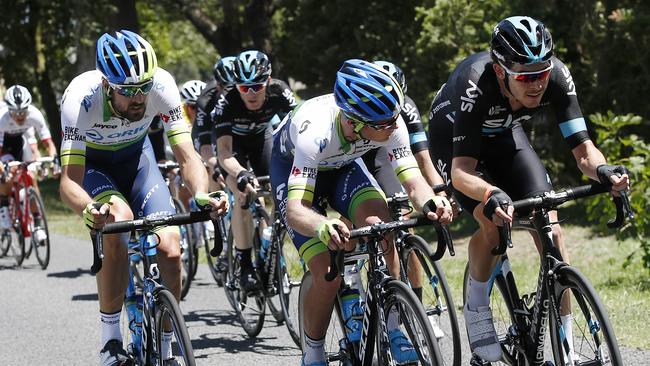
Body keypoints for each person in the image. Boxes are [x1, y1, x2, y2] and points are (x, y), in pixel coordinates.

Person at [427, 16, 630, 362]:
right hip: (454, 143)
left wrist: (603, 170)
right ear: (501, 70)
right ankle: (476, 313)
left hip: (505, 135)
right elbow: (461, 173)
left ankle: (564, 345)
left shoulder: (557, 76)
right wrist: (490, 194)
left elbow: (584, 151)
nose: (537, 84)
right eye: (526, 77)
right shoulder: (476, 85)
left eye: (542, 73)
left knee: (550, 225)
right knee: (492, 223)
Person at [59, 30, 228, 366]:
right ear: (107, 85)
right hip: (95, 167)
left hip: (139, 161)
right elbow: (68, 182)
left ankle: (167, 346)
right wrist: (88, 208)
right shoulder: (80, 97)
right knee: (118, 222)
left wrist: (200, 194)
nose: (138, 98)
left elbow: (187, 156)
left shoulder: (162, 85)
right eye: (128, 91)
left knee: (169, 245)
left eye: (143, 88)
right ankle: (110, 340)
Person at [270, 59, 452, 366]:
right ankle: (312, 352)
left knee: (384, 226)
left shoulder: (387, 121)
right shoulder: (314, 131)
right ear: (354, 121)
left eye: (395, 118)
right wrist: (323, 225)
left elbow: (412, 180)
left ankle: (393, 327)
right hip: (293, 170)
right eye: (385, 124)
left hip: (343, 167)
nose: (395, 127)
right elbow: (297, 210)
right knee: (327, 275)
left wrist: (431, 203)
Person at [214, 50, 297, 292]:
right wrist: (240, 174)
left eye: (257, 86)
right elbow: (224, 153)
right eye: (243, 87)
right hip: (234, 149)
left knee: (275, 191)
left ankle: (270, 246)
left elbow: (301, 129)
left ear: (268, 81)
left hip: (262, 139)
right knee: (243, 194)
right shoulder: (226, 101)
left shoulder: (280, 91)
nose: (250, 93)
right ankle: (244, 262)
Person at [0, 85, 58, 241]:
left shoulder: (35, 114)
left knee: (30, 178)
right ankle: (4, 207)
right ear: (8, 109)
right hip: (4, 147)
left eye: (23, 112)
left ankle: (37, 223)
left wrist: (54, 160)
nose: (20, 116)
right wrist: (3, 169)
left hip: (20, 142)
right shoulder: (2, 118)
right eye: (16, 113)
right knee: (9, 172)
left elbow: (48, 143)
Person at [193, 56, 237, 189]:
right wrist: (215, 164)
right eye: (226, 87)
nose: (231, 93)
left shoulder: (248, 92)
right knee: (216, 169)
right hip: (212, 129)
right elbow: (205, 148)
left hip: (237, 128)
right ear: (218, 86)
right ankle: (216, 204)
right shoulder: (204, 101)